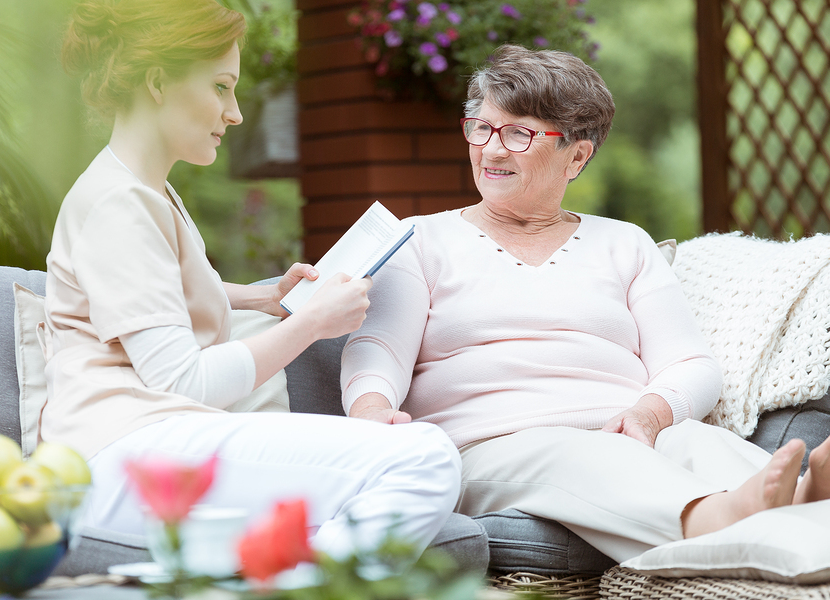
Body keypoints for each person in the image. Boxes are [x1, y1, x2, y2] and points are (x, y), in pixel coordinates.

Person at [340, 44, 830, 562]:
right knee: (575, 454)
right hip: (489, 443)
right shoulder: (417, 240)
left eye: (518, 133)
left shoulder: (625, 243)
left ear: (576, 155)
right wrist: (372, 410)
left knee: (697, 443)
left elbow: (690, 363)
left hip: (624, 431)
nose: (491, 149)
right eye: (481, 127)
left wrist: (650, 413)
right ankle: (714, 519)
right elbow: (378, 347)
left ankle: (800, 507)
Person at [41, 0, 461, 562]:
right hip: (124, 452)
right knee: (424, 457)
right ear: (159, 81)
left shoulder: (142, 191)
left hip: (139, 446)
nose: (235, 112)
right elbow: (184, 382)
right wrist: (311, 324)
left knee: (382, 477)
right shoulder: (119, 204)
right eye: (220, 87)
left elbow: (153, 298)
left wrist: (267, 297)